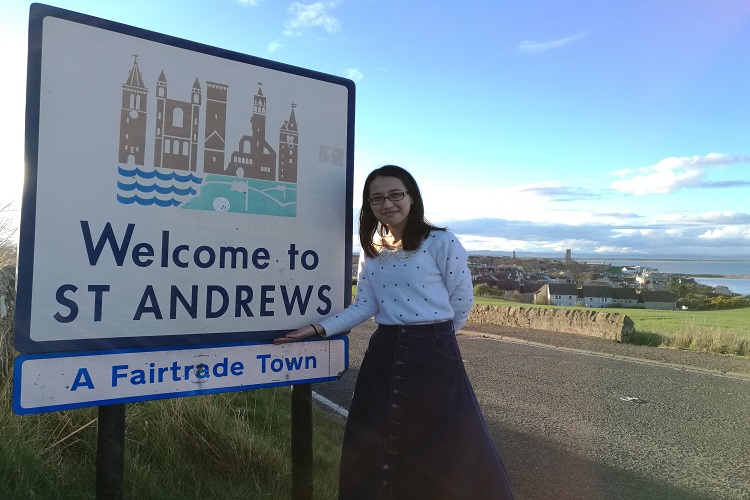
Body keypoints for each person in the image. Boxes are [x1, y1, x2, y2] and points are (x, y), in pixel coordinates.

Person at [274, 165, 515, 499]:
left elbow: (461, 302)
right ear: (369, 205)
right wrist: (319, 328)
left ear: (411, 197)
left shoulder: (442, 242)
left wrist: (437, 339)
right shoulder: (373, 249)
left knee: (442, 441)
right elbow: (365, 304)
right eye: (377, 198)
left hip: (433, 352)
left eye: (395, 194)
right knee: (375, 435)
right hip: (384, 351)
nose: (387, 204)